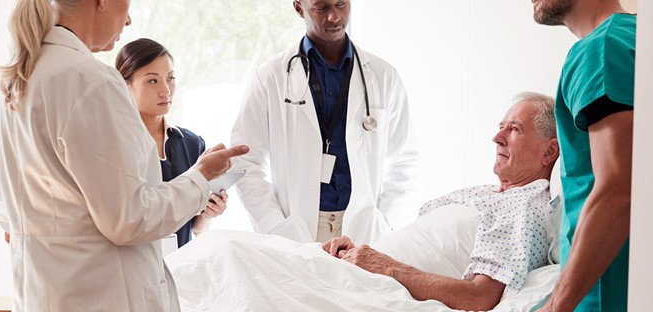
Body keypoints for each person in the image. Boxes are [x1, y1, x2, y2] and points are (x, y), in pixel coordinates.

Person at [0, 0, 248, 311]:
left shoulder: (25, 75)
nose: (128, 20)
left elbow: (5, 210)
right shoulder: (89, 80)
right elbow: (129, 219)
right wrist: (201, 176)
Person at [169, 92, 560, 312]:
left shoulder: (525, 206)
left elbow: (481, 295)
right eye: (500, 127)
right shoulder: (486, 193)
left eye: (515, 129)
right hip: (359, 267)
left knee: (231, 257)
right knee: (225, 253)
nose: (497, 137)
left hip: (379, 284)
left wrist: (387, 267)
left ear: (549, 152)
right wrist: (358, 252)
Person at [230, 0, 418, 245]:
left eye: (341, 3)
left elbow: (405, 158)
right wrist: (275, 226)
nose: (334, 16)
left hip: (363, 229)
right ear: (299, 8)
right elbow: (244, 161)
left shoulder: (382, 75)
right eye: (322, 8)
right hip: (298, 228)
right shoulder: (271, 77)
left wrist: (385, 222)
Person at [520, 0, 634, 312]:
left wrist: (557, 306)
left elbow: (619, 190)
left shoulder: (600, 49)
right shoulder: (631, 37)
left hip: (603, 293)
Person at [115, 38, 229, 248]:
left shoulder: (192, 144)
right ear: (125, 85)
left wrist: (207, 215)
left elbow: (195, 229)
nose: (166, 90)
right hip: (136, 268)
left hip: (179, 269)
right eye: (152, 81)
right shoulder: (116, 146)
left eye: (170, 78)